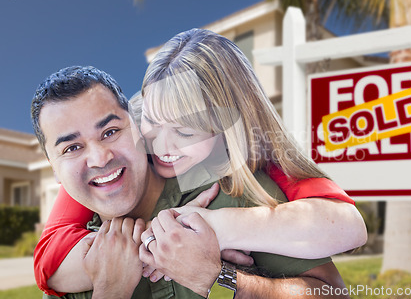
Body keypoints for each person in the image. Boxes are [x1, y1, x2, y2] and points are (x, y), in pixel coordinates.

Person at [31, 59, 364, 296]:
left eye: (111, 131)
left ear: (133, 125)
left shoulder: (235, 190)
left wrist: (220, 278)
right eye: (72, 148)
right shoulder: (76, 255)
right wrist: (113, 287)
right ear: (53, 167)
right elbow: (46, 261)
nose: (100, 157)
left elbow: (336, 274)